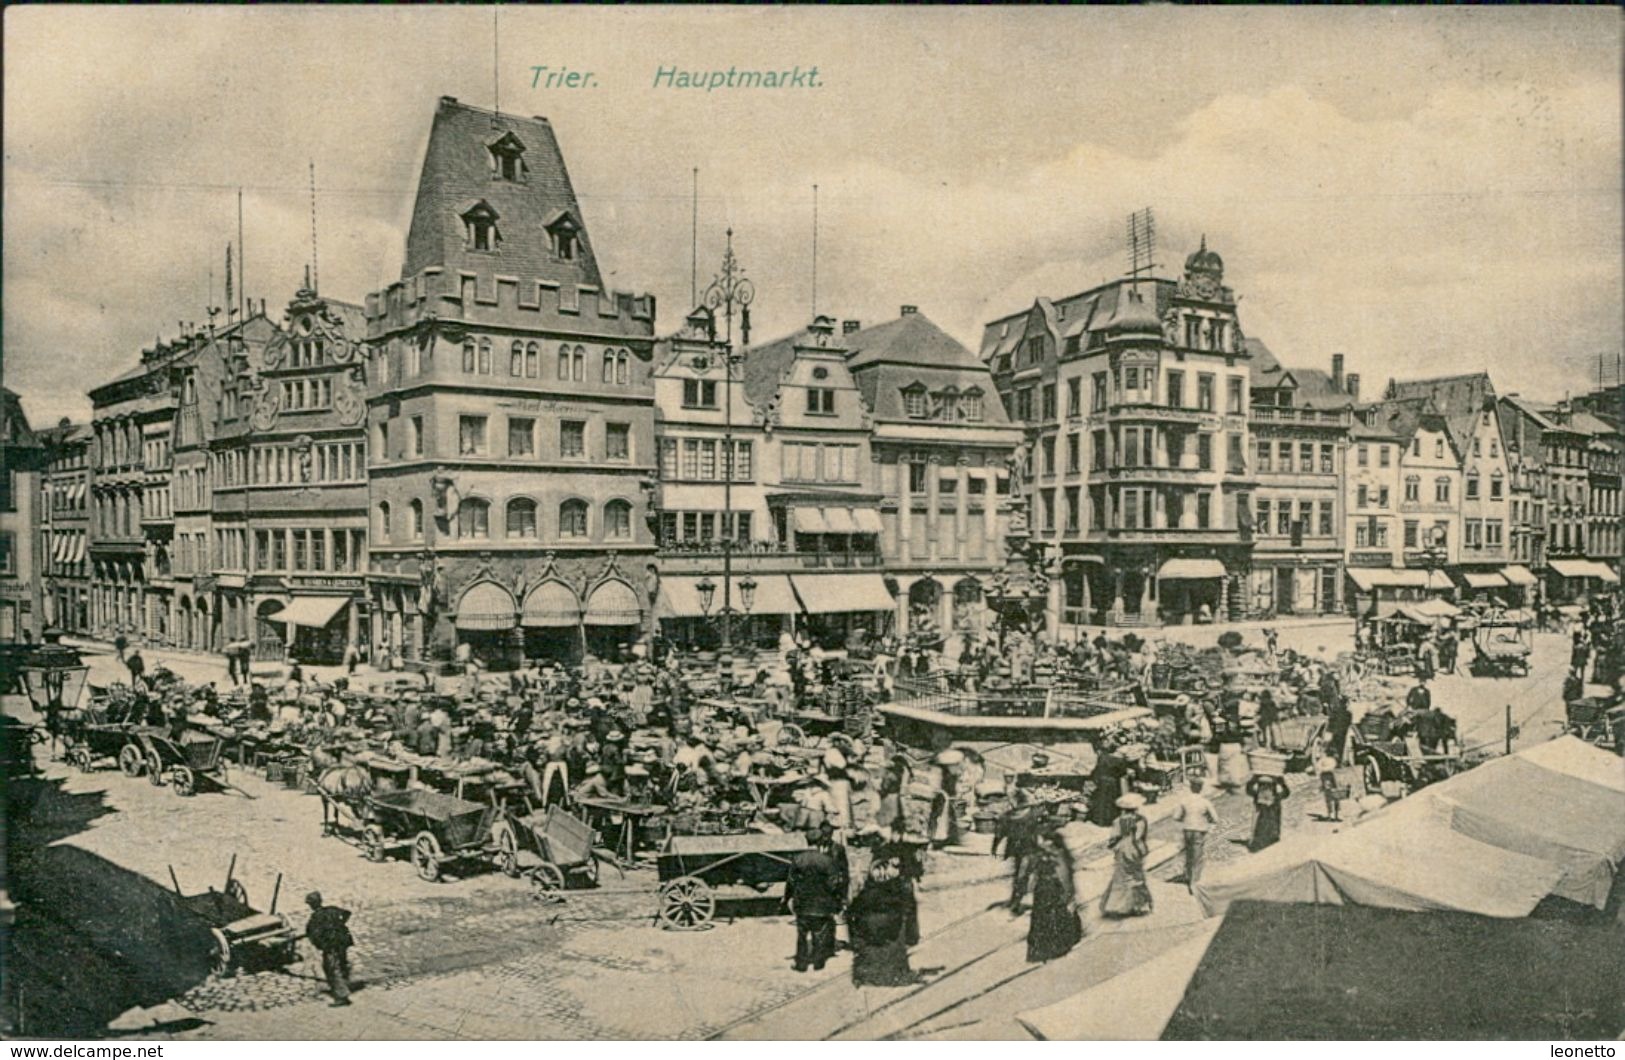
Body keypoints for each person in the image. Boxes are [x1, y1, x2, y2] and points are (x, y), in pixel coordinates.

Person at [848, 839, 925, 986]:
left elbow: (853, 913)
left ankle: (872, 974)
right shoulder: (897, 890)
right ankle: (896, 973)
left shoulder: (868, 892)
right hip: (889, 931)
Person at [786, 824, 846, 973]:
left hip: (803, 904)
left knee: (802, 935)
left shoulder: (798, 859)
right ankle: (819, 963)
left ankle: (801, 964)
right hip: (822, 904)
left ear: (807, 841)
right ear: (820, 841)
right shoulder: (826, 860)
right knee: (819, 933)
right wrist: (834, 898)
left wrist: (788, 897)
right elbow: (834, 883)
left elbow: (791, 881)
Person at [1025, 823, 1082, 963]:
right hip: (1042, 891)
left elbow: (1063, 876)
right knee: (1043, 919)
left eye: (1043, 840)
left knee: (1054, 918)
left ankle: (1054, 949)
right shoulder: (1040, 854)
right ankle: (1044, 950)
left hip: (1053, 890)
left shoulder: (1057, 855)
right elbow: (1033, 873)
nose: (1041, 843)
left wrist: (1068, 895)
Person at [1099, 793, 1152, 917]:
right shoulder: (1140, 820)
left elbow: (1113, 837)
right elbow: (1138, 838)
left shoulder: (1117, 821)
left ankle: (1117, 905)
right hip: (1134, 849)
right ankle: (1139, 905)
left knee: (1121, 876)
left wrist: (1112, 846)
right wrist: (1142, 851)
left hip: (1122, 849)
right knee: (1136, 876)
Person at [303, 891, 354, 1007]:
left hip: (331, 946)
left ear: (312, 905)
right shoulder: (332, 909)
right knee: (341, 964)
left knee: (331, 968)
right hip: (343, 942)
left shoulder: (315, 917)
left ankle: (342, 996)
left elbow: (310, 933)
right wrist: (339, 924)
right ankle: (344, 984)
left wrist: (320, 942)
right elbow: (347, 913)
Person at [1173, 777, 1218, 892]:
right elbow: (1215, 818)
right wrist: (1206, 819)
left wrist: (1186, 817)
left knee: (1188, 854)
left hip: (1187, 830)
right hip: (1199, 831)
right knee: (1197, 857)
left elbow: (1176, 817)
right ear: (1201, 788)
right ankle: (1194, 882)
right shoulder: (1205, 802)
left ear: (1191, 788)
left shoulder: (1184, 801)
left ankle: (1188, 876)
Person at [1246, 773, 1290, 851]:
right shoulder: (1274, 801)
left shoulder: (1258, 777)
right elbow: (1286, 792)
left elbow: (1249, 789)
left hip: (1264, 804)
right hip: (1270, 805)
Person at [1317, 755, 1343, 822]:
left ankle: (1330, 816)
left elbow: (1323, 783)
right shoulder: (1330, 774)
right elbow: (1334, 782)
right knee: (1335, 802)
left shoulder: (1322, 775)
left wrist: (1321, 788)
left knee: (1329, 803)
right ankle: (1335, 816)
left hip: (1327, 790)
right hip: (1331, 789)